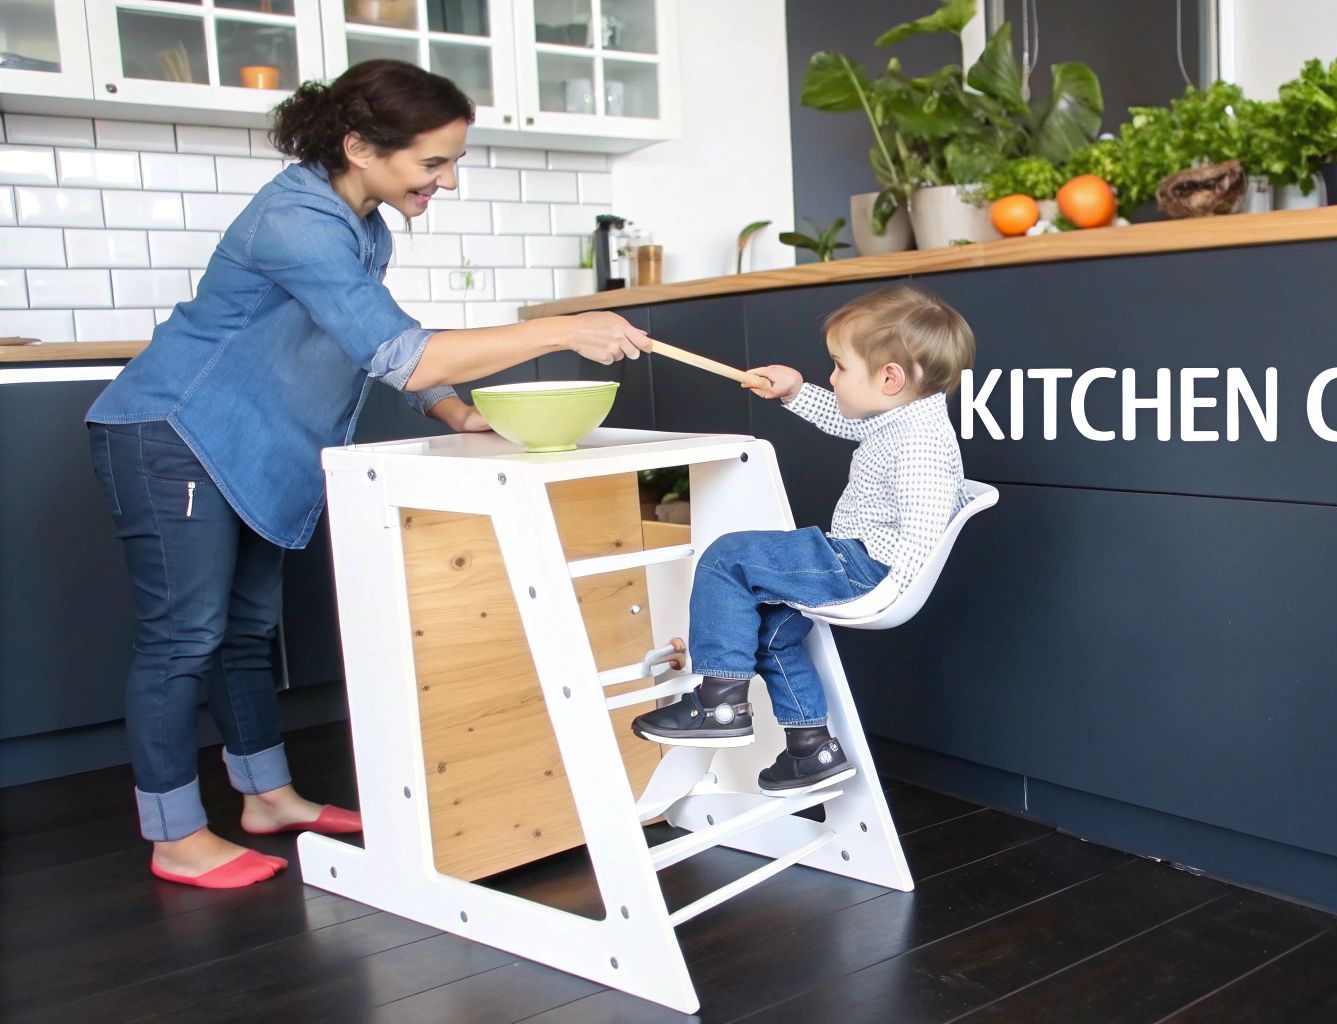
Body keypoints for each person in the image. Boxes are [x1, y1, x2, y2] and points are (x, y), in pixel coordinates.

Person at [84, 60, 651, 889]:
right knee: (184, 638)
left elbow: (372, 342)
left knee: (244, 633)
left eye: (453, 161)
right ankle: (175, 835)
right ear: (359, 145)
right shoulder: (296, 219)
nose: (448, 181)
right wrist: (560, 327)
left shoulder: (362, 223)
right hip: (173, 434)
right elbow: (402, 355)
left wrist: (458, 413)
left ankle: (266, 798)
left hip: (244, 444)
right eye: (433, 163)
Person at [631, 286, 974, 793]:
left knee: (728, 557)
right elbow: (846, 416)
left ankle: (718, 702)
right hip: (863, 563)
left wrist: (886, 587)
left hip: (868, 567)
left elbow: (922, 530)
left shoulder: (920, 443)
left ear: (889, 378)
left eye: (838, 367)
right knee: (771, 632)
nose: (832, 378)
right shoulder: (901, 417)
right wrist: (795, 391)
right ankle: (812, 748)